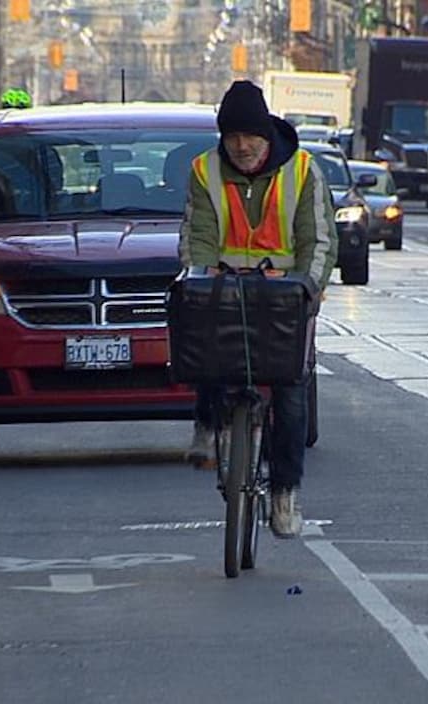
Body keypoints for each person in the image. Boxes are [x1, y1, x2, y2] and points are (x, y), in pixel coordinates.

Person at [177, 80, 338, 539]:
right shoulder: (205, 171)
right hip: (225, 291)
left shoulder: (303, 170)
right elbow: (197, 239)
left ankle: (285, 492)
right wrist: (199, 281)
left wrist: (308, 286)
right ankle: (209, 425)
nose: (242, 146)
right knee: (201, 340)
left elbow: (319, 240)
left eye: (250, 135)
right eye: (232, 137)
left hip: (286, 297)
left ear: (267, 133)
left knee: (290, 393)